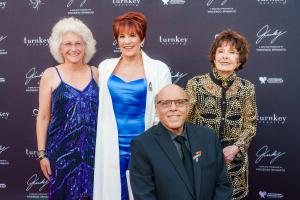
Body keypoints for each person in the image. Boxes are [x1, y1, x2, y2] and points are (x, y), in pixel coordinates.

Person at [93, 12, 172, 200]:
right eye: (122, 36)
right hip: (110, 144)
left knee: (143, 192)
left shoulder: (159, 69)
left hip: (145, 143)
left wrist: (155, 146)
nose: (127, 41)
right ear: (117, 40)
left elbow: (164, 112)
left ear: (142, 38)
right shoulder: (105, 67)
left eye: (132, 36)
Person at [186, 29, 257, 200]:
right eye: (221, 51)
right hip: (201, 161)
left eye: (232, 52)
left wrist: (236, 147)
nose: (225, 56)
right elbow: (183, 121)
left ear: (239, 59)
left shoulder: (247, 88)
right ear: (214, 56)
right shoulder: (196, 84)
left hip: (234, 163)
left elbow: (250, 125)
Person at [129, 84, 232, 200]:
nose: (173, 108)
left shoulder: (208, 137)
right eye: (165, 103)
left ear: (188, 107)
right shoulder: (142, 145)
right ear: (156, 109)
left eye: (179, 102)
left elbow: (223, 185)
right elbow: (144, 196)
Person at [36, 17, 98, 200]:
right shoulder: (50, 75)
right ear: (59, 48)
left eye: (78, 43)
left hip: (93, 152)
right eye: (68, 44)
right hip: (62, 154)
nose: (73, 49)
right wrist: (42, 154)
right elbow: (43, 117)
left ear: (86, 46)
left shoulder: (96, 73)